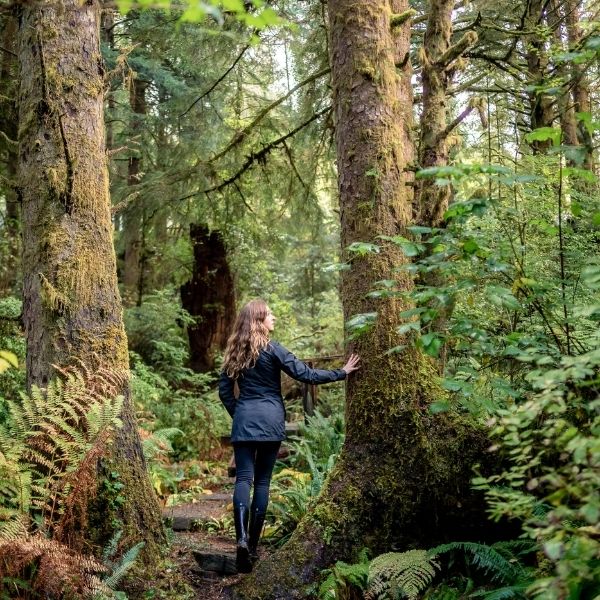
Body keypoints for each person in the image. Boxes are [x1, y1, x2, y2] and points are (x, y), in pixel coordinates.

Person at [218, 299, 360, 573]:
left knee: (243, 478)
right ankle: (254, 548)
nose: (274, 318)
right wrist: (341, 373)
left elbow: (224, 391)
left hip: (245, 421)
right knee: (262, 483)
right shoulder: (274, 350)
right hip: (271, 421)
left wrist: (240, 414)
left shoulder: (234, 352)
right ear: (259, 320)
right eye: (270, 314)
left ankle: (241, 540)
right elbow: (305, 374)